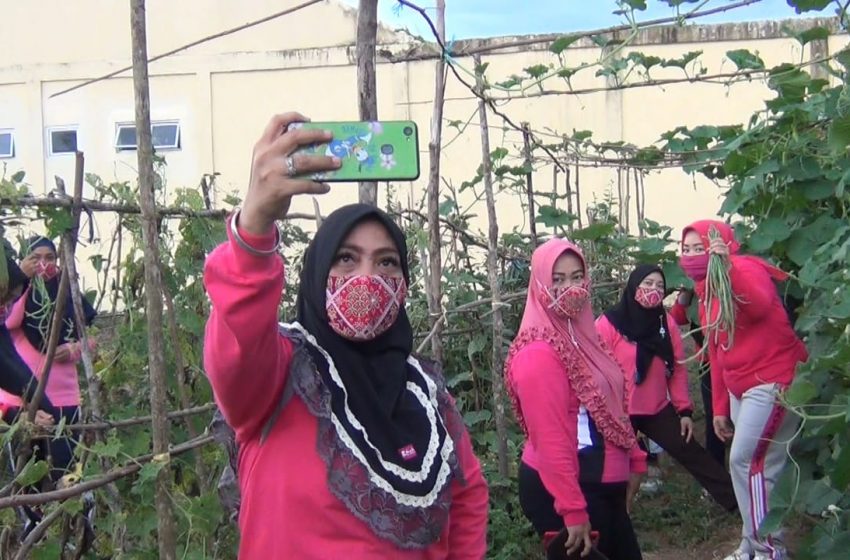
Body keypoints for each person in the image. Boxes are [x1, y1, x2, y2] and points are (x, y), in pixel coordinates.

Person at [202, 112, 488, 559]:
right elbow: (234, 352)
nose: (367, 278)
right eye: (347, 260)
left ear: (405, 283)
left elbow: (467, 494)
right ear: (317, 274)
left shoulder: (423, 391)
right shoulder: (280, 376)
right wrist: (255, 224)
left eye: (386, 262)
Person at [506, 238, 645, 560]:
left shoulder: (584, 337)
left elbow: (613, 404)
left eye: (576, 276)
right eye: (557, 279)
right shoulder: (537, 354)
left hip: (600, 482)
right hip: (569, 489)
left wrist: (635, 459)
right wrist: (572, 511)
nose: (570, 287)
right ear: (540, 283)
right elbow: (551, 437)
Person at [680, 220, 806, 560]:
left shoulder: (745, 268)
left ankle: (770, 548)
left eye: (699, 248)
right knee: (753, 466)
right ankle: (751, 543)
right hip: (742, 388)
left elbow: (761, 303)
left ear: (719, 246)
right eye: (686, 249)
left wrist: (730, 269)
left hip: (772, 380)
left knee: (747, 461)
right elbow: (718, 353)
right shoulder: (706, 293)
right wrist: (720, 407)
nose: (691, 255)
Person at [595, 264, 737, 512]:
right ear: (634, 286)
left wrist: (684, 412)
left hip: (656, 408)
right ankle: (613, 517)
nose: (653, 290)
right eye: (647, 284)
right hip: (618, 411)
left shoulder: (665, 324)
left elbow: (678, 369)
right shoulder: (608, 323)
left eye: (659, 286)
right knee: (613, 466)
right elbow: (596, 370)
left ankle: (740, 505)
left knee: (691, 451)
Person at [670, 287, 726, 467]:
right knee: (713, 414)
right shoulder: (695, 286)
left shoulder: (724, 282)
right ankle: (717, 467)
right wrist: (683, 298)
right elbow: (678, 317)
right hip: (708, 361)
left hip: (733, 359)